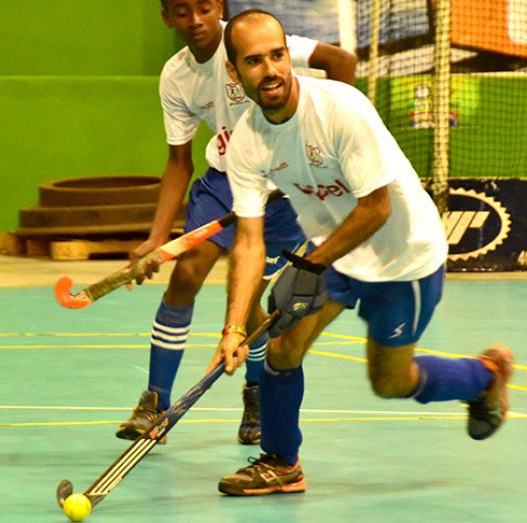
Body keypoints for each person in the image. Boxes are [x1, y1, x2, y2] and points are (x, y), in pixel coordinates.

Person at [208, 9, 514, 495]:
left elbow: (375, 209)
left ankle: (484, 375)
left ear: (289, 55)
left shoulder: (341, 108)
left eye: (277, 55)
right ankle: (281, 462)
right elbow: (249, 240)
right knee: (283, 346)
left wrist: (311, 264)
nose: (270, 70)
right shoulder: (246, 141)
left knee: (390, 382)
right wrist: (233, 328)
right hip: (333, 252)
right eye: (253, 61)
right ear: (233, 71)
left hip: (402, 257)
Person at [116, 0, 357, 446]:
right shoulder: (176, 75)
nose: (195, 20)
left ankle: (256, 391)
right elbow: (178, 162)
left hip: (284, 196)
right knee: (185, 272)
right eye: (182, 11)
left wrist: (320, 140)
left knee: (247, 298)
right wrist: (155, 238)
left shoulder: (251, 39)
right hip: (225, 182)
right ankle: (154, 402)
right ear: (167, 18)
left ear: (219, 8)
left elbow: (339, 61)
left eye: (204, 8)